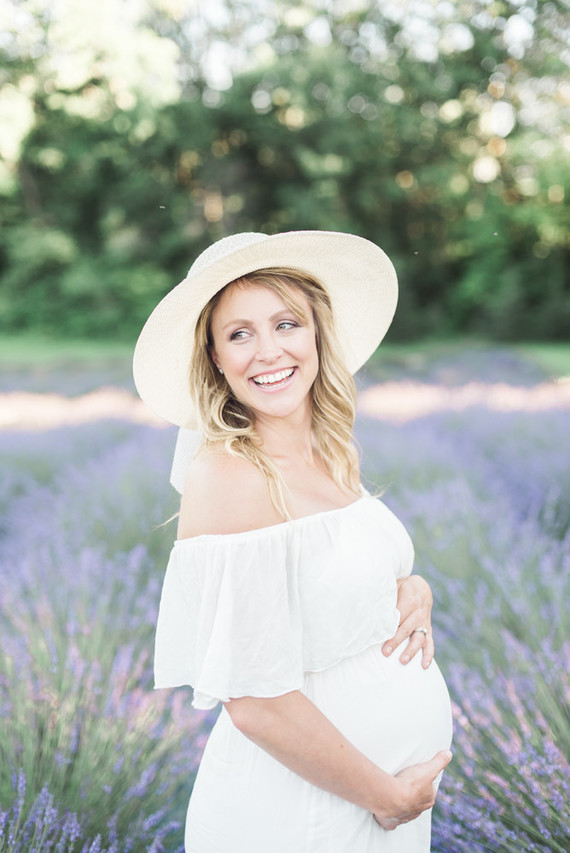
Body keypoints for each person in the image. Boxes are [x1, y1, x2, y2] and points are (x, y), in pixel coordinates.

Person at [133, 230, 453, 852]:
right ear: (216, 359)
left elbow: (337, 574)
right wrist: (387, 799)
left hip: (373, 806)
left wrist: (413, 589)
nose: (268, 350)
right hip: (302, 813)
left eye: (286, 323)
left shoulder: (330, 450)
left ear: (316, 335)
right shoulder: (227, 476)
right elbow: (253, 698)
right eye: (239, 333)